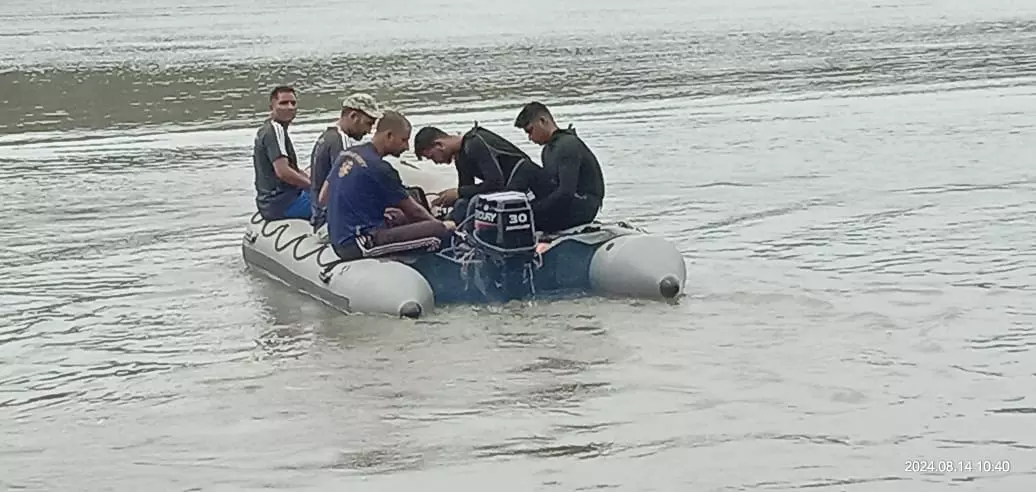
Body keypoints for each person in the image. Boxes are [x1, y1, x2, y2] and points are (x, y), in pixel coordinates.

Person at [322, 110, 455, 261]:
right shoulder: (381, 168)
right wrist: (445, 225)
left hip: (340, 237)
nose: (406, 147)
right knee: (438, 230)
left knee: (397, 214)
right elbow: (415, 212)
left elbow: (323, 197)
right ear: (389, 135)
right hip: (359, 243)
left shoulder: (348, 153)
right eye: (404, 140)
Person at [412, 123, 549, 224]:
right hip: (510, 189)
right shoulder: (461, 157)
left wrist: (459, 192)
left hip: (531, 188)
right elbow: (466, 190)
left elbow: (495, 183)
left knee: (468, 204)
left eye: (432, 157)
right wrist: (450, 199)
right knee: (463, 204)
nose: (436, 162)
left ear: (439, 145)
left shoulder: (475, 143)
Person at [513, 101, 606, 233]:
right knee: (523, 167)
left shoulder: (568, 145)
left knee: (526, 168)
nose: (530, 138)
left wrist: (532, 210)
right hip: (567, 205)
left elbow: (566, 192)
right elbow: (552, 188)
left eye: (530, 131)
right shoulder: (547, 151)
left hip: (582, 209)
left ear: (542, 121)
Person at [308, 93, 383, 231]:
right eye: (368, 124)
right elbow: (345, 185)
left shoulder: (327, 136)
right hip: (330, 221)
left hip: (319, 214)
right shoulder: (341, 142)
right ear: (353, 116)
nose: (369, 131)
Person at [252, 85, 312, 221]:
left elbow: (289, 169)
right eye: (283, 103)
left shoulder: (266, 129)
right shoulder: (275, 130)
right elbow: (283, 172)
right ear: (271, 107)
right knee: (338, 202)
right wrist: (312, 186)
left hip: (269, 203)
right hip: (283, 203)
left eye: (293, 103)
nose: (290, 107)